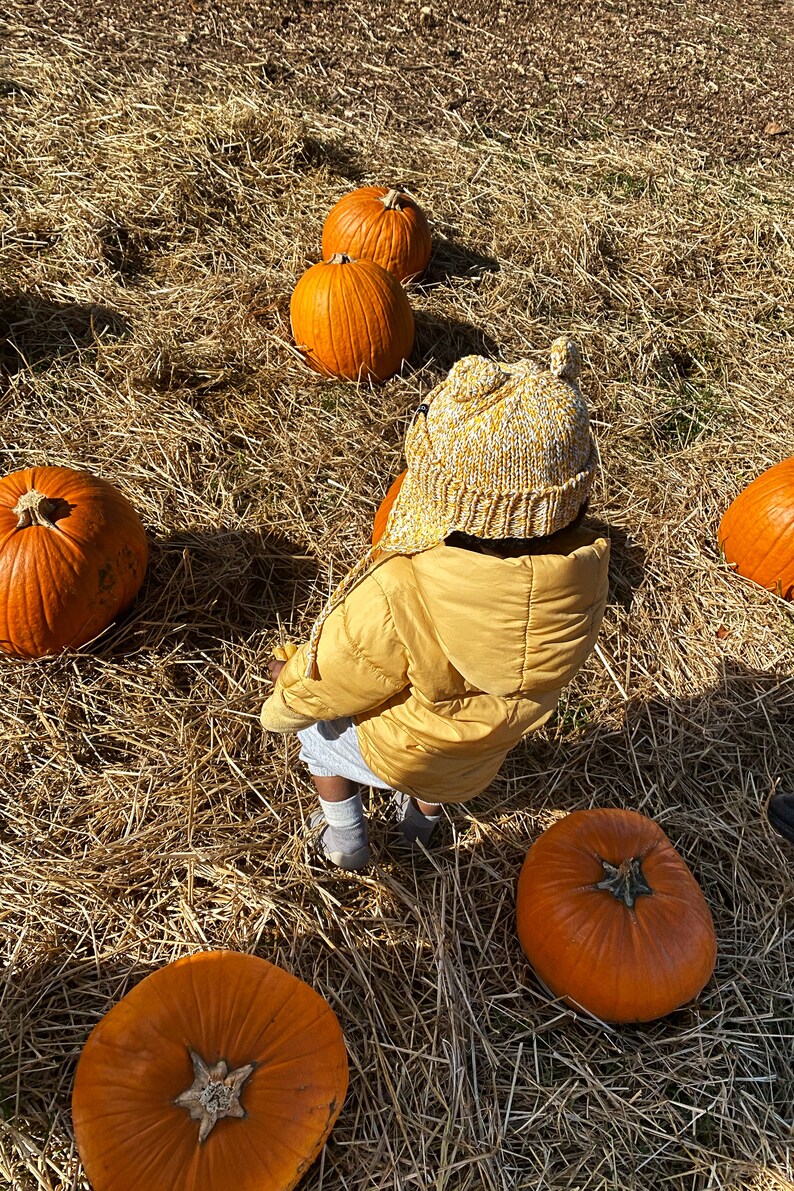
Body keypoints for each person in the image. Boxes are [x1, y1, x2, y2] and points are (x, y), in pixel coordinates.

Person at [260, 337, 611, 870]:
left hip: (396, 751)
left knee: (318, 732)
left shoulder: (399, 589)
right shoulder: (582, 583)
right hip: (476, 760)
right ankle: (420, 828)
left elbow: (334, 678)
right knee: (440, 777)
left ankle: (346, 839)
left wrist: (285, 695)